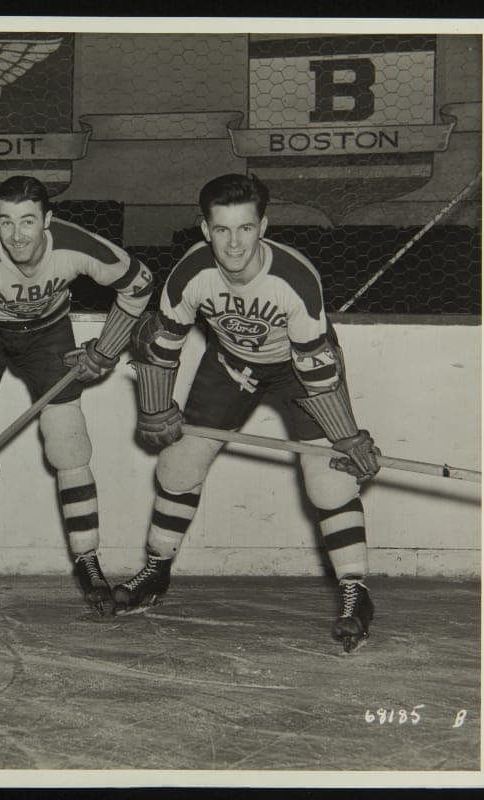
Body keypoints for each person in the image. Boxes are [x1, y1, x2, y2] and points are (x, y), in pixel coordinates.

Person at [118, 172, 381, 652]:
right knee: (178, 465)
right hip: (230, 364)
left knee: (330, 479)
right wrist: (155, 408)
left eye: (244, 228)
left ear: (264, 225)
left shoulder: (294, 280)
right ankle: (155, 572)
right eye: (222, 230)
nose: (233, 243)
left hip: (298, 369)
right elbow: (162, 345)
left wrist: (346, 437)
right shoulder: (190, 273)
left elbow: (316, 366)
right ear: (205, 229)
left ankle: (354, 592)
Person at [0, 174, 155, 617]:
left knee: (69, 442)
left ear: (48, 220)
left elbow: (140, 282)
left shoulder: (76, 246)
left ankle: (88, 560)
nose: (16, 236)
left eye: (28, 222)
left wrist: (107, 349)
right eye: (5, 223)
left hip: (48, 334)